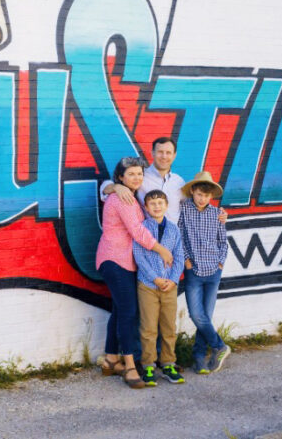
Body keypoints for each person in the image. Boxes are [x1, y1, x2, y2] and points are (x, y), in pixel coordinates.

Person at [96, 157, 175, 389]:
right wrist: (161, 249)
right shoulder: (123, 199)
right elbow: (137, 231)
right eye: (131, 174)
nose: (137, 178)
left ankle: (111, 359)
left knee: (120, 311)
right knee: (129, 313)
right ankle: (130, 365)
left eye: (139, 173)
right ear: (120, 177)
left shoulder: (130, 196)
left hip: (121, 261)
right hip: (115, 260)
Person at [100, 137, 225, 225]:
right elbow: (104, 188)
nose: (164, 156)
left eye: (168, 153)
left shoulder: (179, 182)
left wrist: (218, 214)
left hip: (174, 242)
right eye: (160, 152)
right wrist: (116, 187)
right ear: (152, 153)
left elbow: (195, 205)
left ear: (174, 155)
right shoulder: (141, 177)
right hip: (147, 240)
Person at [177, 170, 231, 375]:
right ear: (193, 191)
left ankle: (199, 358)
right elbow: (179, 237)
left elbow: (222, 242)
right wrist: (187, 262)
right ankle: (219, 346)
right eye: (199, 194)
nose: (203, 198)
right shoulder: (184, 210)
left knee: (206, 316)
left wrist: (220, 263)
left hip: (214, 271)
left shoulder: (216, 214)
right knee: (196, 314)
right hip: (194, 271)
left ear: (211, 197)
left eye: (207, 196)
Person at [132, 190, 186, 386]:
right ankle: (148, 365)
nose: (156, 206)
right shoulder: (142, 228)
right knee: (148, 327)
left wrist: (172, 280)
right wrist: (155, 279)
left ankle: (168, 363)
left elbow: (179, 256)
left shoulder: (173, 230)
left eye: (160, 202)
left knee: (168, 326)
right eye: (152, 203)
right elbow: (139, 256)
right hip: (148, 285)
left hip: (170, 286)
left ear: (166, 205)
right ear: (146, 207)